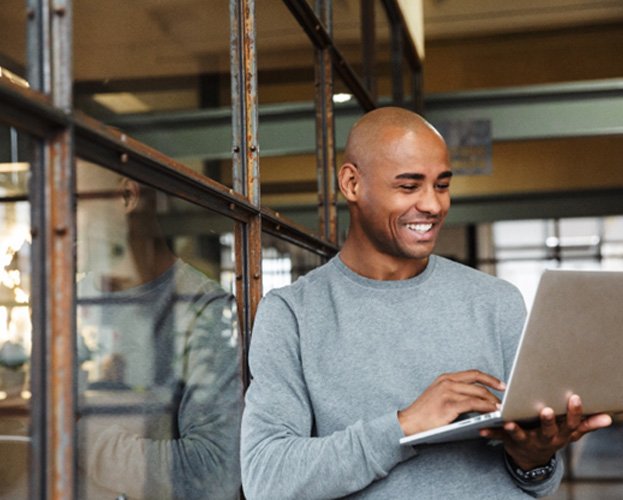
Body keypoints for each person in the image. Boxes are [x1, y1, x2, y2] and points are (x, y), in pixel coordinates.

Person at [240, 107, 613, 499]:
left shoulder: (497, 301)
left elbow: (536, 480)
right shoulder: (292, 314)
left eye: (441, 185)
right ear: (351, 183)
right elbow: (268, 478)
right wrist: (405, 426)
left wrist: (534, 458)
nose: (433, 206)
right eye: (409, 186)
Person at [76, 162, 242, 499]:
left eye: (71, 203)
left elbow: (213, 474)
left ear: (126, 196)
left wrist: (72, 435)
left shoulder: (205, 310)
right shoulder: (68, 301)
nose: (54, 221)